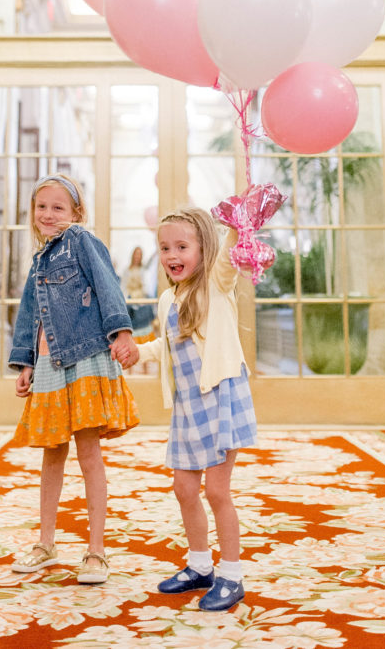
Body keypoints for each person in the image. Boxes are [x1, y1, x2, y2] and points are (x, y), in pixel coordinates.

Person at [113, 207, 256, 612]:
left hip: (220, 398)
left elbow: (229, 253)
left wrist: (235, 219)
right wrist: (138, 351)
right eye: (165, 247)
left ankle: (231, 574)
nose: (172, 254)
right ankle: (200, 566)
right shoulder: (166, 299)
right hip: (188, 407)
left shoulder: (215, 282)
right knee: (184, 488)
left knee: (216, 490)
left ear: (202, 248)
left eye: (182, 246)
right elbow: (170, 346)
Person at [9, 173, 139, 586]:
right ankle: (46, 544)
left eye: (58, 207)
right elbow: (30, 315)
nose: (48, 214)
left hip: (84, 357)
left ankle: (96, 551)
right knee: (51, 455)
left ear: (75, 212)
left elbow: (107, 285)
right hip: (49, 365)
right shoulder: (38, 260)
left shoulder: (82, 241)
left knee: (88, 454)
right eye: (41, 206)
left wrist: (121, 331)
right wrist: (26, 362)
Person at [121, 245, 155, 338]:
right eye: (136, 254)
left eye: (139, 254)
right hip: (130, 297)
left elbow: (146, 287)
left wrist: (142, 296)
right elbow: (123, 287)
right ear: (133, 255)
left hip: (142, 297)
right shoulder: (126, 270)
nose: (137, 256)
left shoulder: (144, 270)